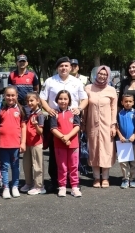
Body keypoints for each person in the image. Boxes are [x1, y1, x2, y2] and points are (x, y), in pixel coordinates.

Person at [40, 57, 88, 192]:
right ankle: (57, 181)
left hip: (72, 120)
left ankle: (72, 182)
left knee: (72, 152)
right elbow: (42, 98)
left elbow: (84, 99)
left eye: (67, 66)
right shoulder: (50, 81)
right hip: (55, 119)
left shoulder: (77, 82)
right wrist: (48, 109)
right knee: (55, 152)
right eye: (61, 66)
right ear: (57, 68)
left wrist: (79, 108)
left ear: (71, 67)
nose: (64, 68)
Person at [83, 65, 118, 188]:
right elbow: (85, 108)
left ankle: (106, 178)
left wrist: (113, 125)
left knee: (107, 150)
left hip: (107, 124)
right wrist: (83, 123)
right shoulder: (88, 88)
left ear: (108, 76)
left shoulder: (111, 90)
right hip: (92, 124)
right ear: (96, 74)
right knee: (94, 149)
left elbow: (114, 108)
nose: (102, 76)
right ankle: (96, 178)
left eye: (105, 74)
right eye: (100, 74)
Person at [50, 90, 82, 197]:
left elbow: (77, 126)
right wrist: (63, 138)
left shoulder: (74, 112)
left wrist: (68, 137)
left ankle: (74, 187)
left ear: (69, 100)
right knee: (62, 166)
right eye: (60, 98)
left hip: (73, 144)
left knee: (73, 166)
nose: (63, 101)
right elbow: (53, 129)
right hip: (59, 144)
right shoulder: (54, 113)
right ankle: (62, 186)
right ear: (57, 100)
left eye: (65, 99)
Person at [0, 86, 26, 199]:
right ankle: (6, 187)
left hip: (15, 144)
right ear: (4, 96)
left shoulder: (20, 110)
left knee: (15, 166)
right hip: (3, 144)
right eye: (8, 95)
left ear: (17, 96)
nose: (10, 97)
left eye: (13, 95)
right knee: (4, 167)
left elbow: (23, 127)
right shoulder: (0, 110)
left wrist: (23, 142)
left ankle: (14, 186)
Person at [21, 92, 46, 195]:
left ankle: (39, 186)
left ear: (38, 101)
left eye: (32, 100)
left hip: (36, 143)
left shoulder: (40, 115)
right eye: (28, 101)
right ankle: (29, 183)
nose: (29, 103)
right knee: (26, 164)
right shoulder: (31, 113)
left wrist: (36, 126)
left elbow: (40, 132)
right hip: (28, 143)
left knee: (37, 165)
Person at [117, 94, 135, 189]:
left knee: (134, 162)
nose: (128, 103)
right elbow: (116, 126)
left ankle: (133, 178)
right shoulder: (119, 113)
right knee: (123, 162)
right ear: (122, 102)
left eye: (130, 101)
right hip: (122, 141)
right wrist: (120, 136)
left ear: (133, 102)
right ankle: (125, 178)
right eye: (125, 101)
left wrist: (134, 135)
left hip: (133, 141)